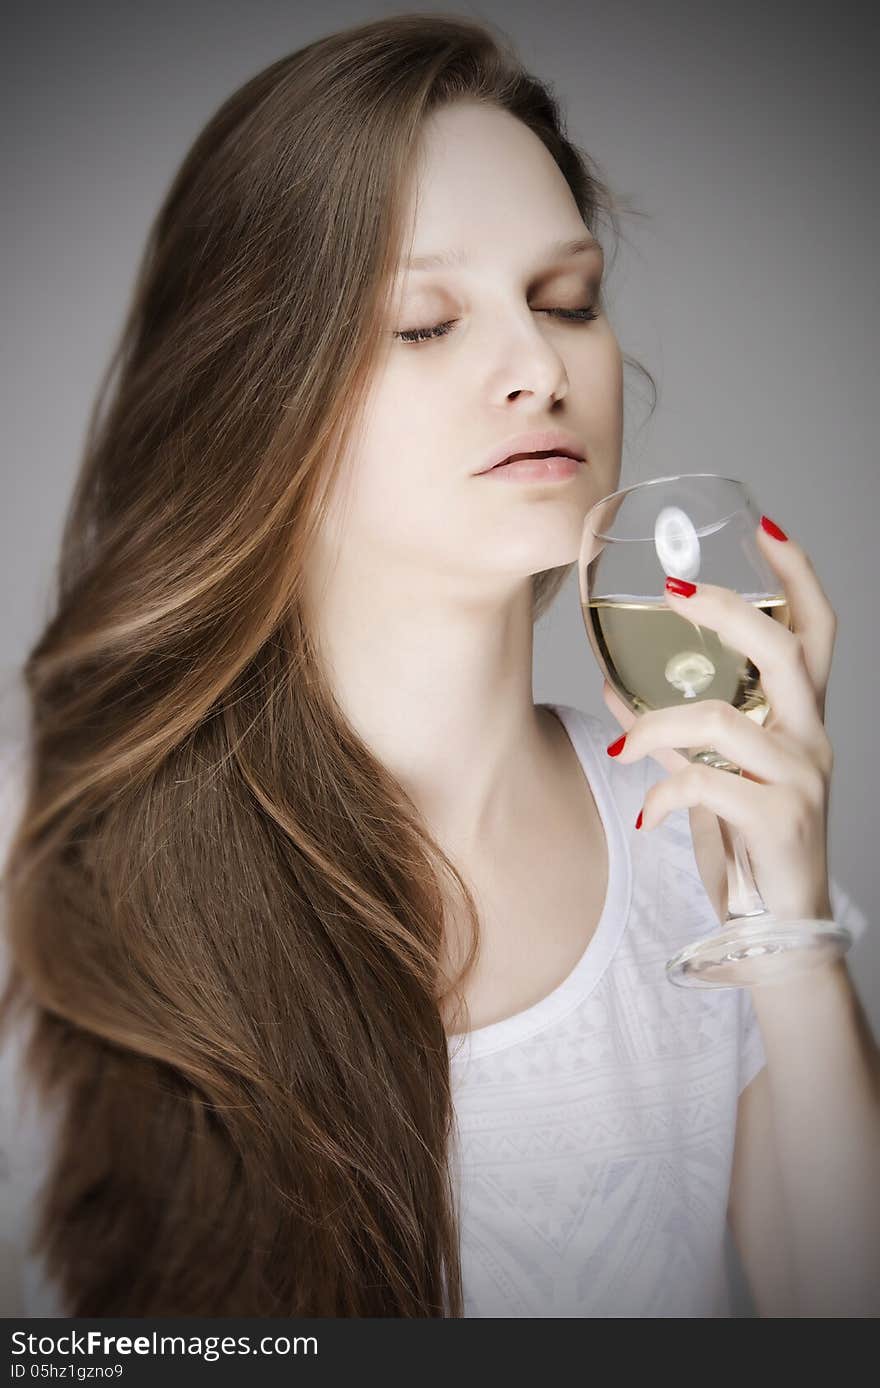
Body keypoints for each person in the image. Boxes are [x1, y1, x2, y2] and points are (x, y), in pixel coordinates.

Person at [0, 12, 876, 1319]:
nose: (540, 366)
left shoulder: (689, 835)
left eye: (566, 301)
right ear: (256, 393)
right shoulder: (44, 860)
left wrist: (789, 924)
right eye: (424, 322)